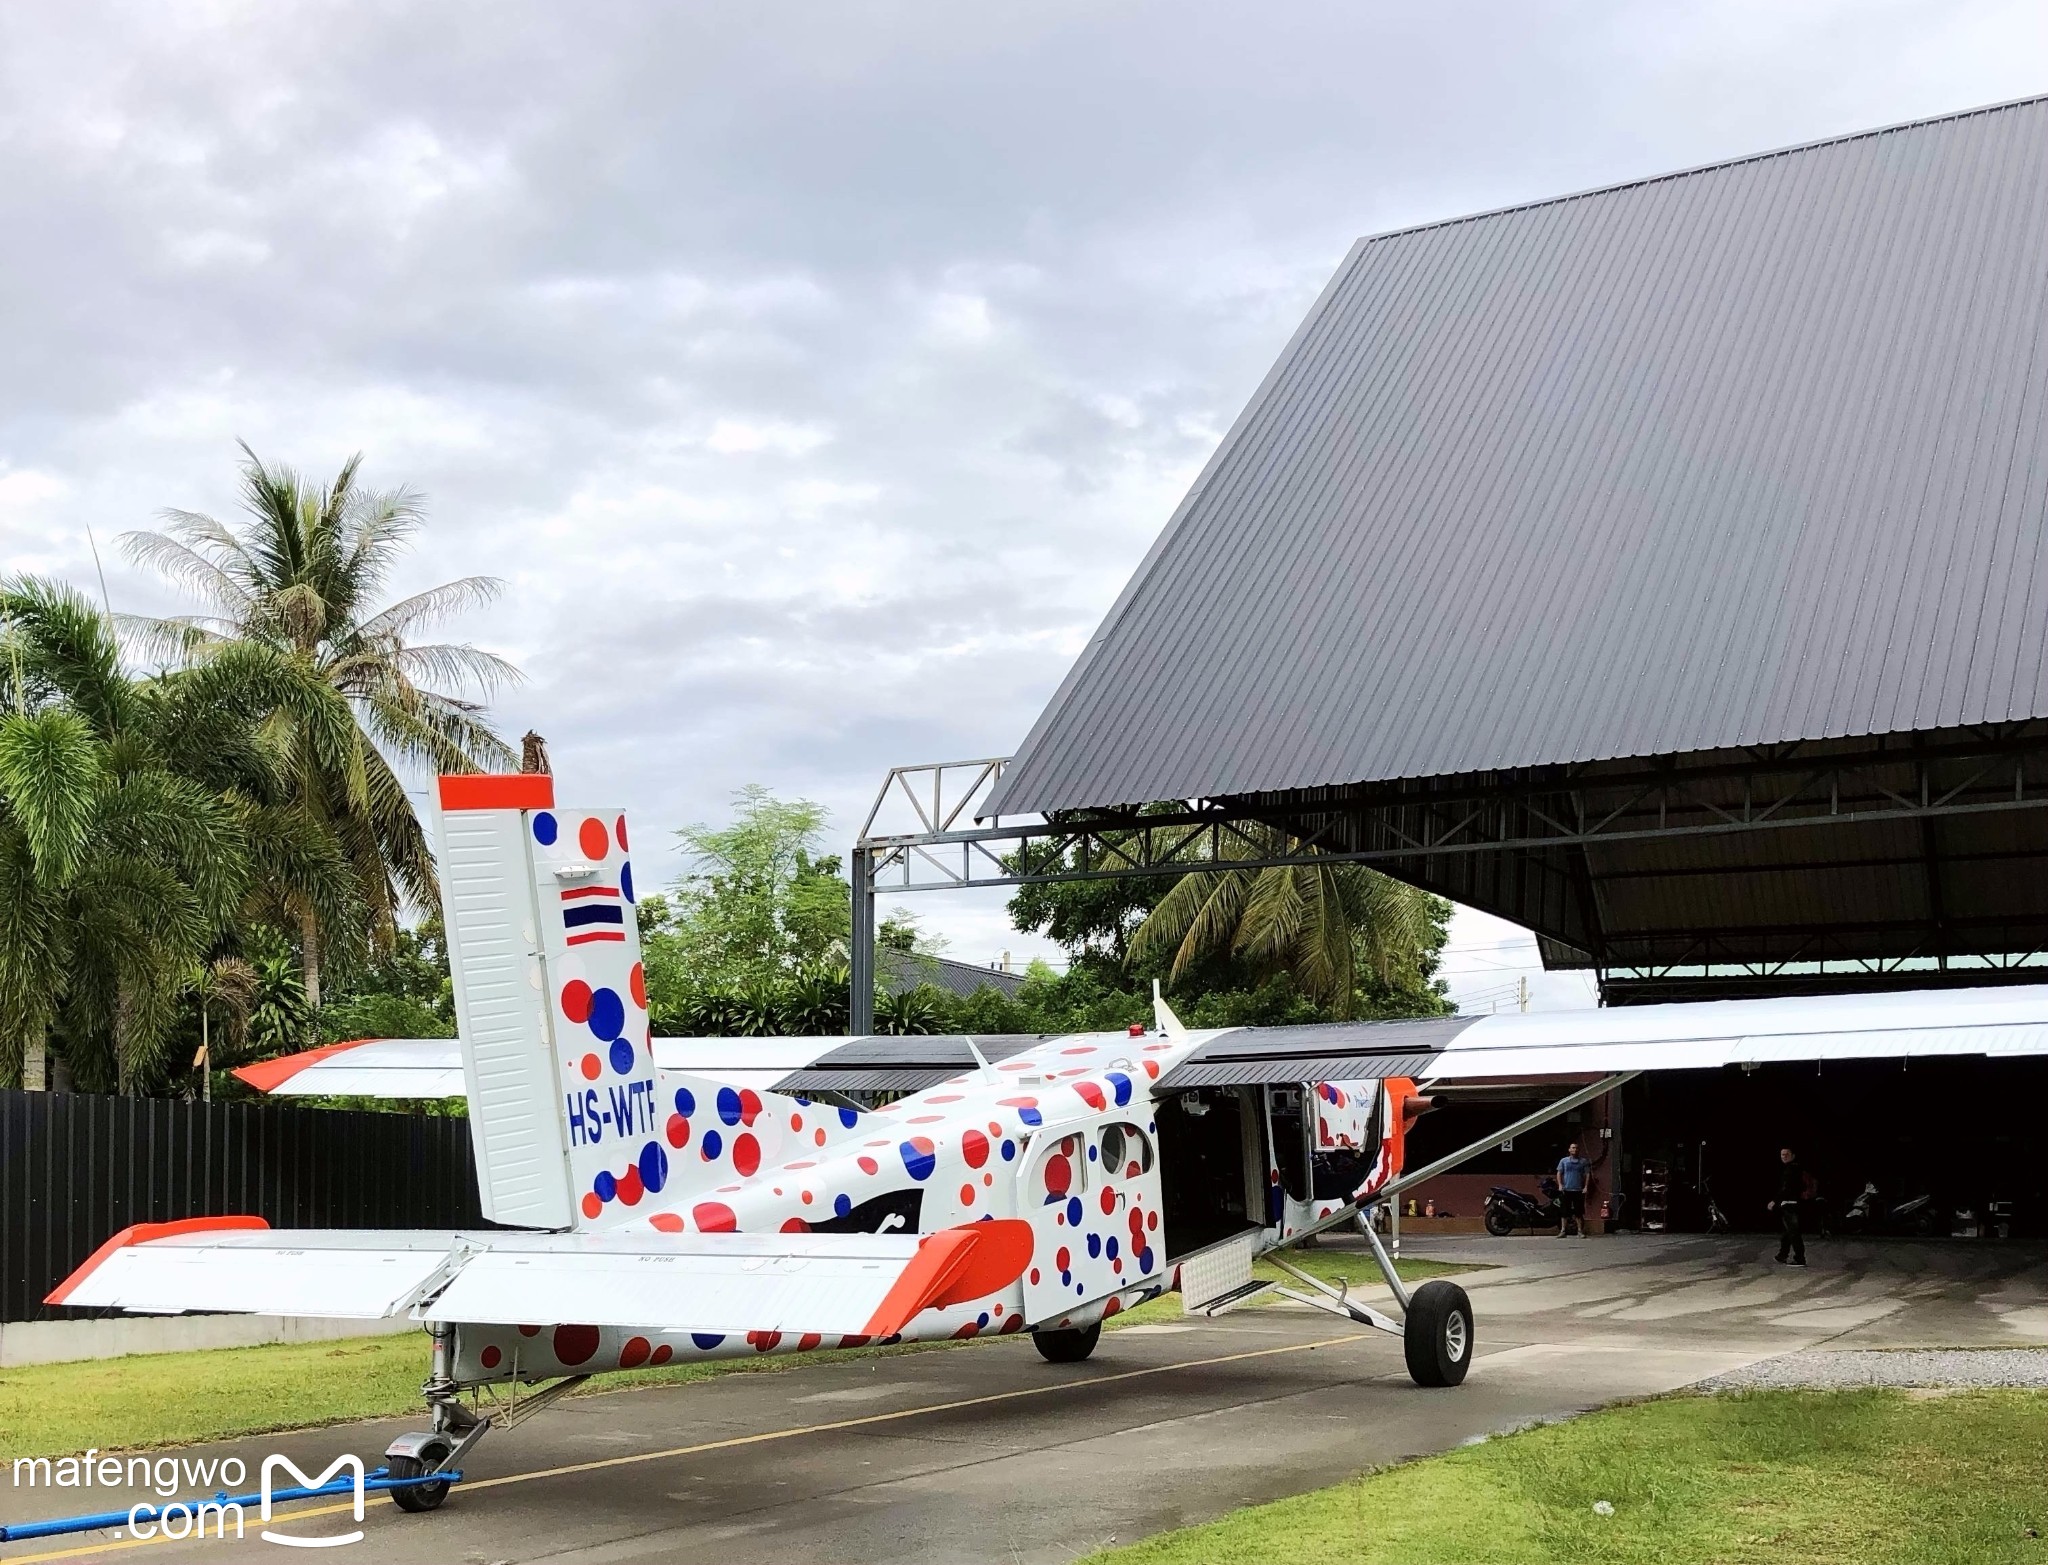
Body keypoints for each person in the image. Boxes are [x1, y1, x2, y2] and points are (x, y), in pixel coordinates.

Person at [1767, 1146, 1807, 1265]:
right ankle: (1782, 1255)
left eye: (1786, 1154)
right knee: (1787, 1232)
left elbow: (1786, 1188)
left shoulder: (1792, 1169)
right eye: (1782, 1155)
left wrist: (1775, 1200)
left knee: (1793, 1232)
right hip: (1791, 1203)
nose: (1784, 1157)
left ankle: (1799, 1258)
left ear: (1793, 1156)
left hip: (1791, 1204)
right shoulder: (1793, 1168)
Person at [1555, 1142, 1591, 1238]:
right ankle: (1563, 1230)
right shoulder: (1564, 1161)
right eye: (1573, 1148)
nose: (1575, 1149)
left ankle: (1579, 1231)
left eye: (1576, 1148)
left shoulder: (1583, 1162)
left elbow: (1587, 1174)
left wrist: (1586, 1186)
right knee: (1564, 1211)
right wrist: (1560, 1184)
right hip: (1566, 1189)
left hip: (1578, 1190)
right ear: (1569, 1150)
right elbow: (1559, 1173)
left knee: (1578, 1211)